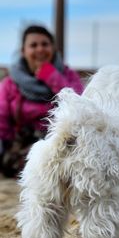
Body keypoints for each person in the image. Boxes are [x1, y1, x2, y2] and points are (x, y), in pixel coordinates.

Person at [0, 25, 84, 177]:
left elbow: (79, 106)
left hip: (63, 145)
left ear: (53, 48)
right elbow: (2, 121)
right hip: (23, 150)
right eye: (33, 45)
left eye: (45, 44)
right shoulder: (10, 83)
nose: (40, 49)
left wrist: (52, 77)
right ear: (23, 51)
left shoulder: (69, 76)